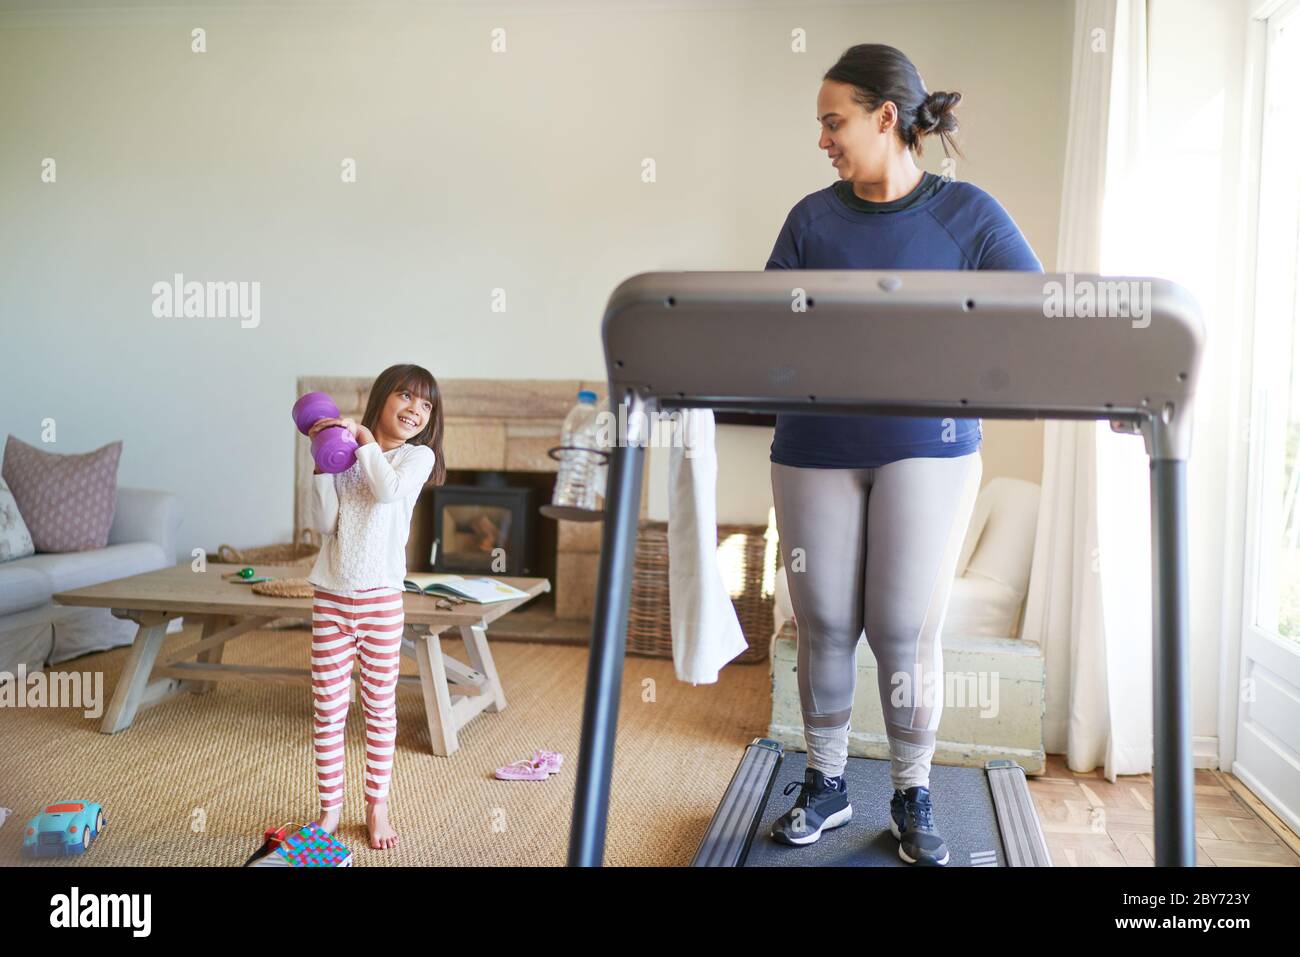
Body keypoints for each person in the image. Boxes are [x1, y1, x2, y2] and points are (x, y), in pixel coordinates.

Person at [765, 43, 1042, 866]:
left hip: (931, 443)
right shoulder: (811, 219)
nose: (822, 139)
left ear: (887, 118)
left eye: (833, 121)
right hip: (813, 442)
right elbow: (768, 331)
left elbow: (1031, 314)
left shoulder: (969, 215)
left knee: (901, 627)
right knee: (823, 622)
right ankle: (826, 781)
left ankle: (912, 789)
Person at [303, 363, 445, 850]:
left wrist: (362, 441)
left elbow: (385, 491)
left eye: (426, 404)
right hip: (332, 597)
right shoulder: (345, 457)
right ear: (382, 398)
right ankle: (329, 809)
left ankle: (376, 805)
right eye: (406, 397)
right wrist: (323, 461)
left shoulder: (416, 458)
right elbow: (323, 523)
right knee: (327, 708)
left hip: (382, 601)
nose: (415, 410)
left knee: (380, 708)